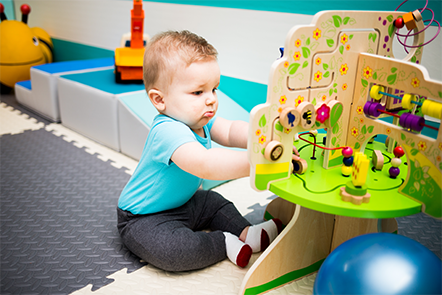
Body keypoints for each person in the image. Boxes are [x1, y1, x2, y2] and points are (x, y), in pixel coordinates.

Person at [117, 30, 285, 272]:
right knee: (173, 252)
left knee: (213, 202)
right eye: (198, 92)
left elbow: (230, 131)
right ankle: (222, 242)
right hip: (143, 218)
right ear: (159, 100)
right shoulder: (166, 131)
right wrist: (258, 162)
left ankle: (245, 230)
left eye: (214, 89)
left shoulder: (200, 121)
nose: (211, 100)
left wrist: (263, 138)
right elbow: (205, 164)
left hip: (184, 203)